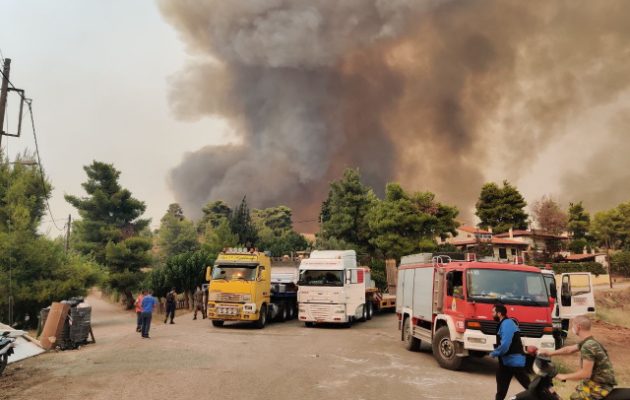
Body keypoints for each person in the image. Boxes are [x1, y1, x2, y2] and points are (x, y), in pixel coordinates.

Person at [540, 315, 616, 400]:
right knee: (574, 395)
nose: (572, 328)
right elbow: (569, 350)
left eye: (573, 325)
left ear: (578, 327)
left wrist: (564, 376)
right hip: (594, 382)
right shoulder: (589, 341)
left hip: (600, 386)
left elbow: (585, 373)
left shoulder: (588, 346)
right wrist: (550, 353)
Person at [490, 303, 531, 400]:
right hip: (506, 362)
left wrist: (494, 353)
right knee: (501, 391)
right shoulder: (504, 323)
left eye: (493, 312)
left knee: (530, 387)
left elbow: (505, 345)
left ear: (499, 313)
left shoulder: (507, 323)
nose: (492, 314)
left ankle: (545, 397)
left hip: (514, 362)